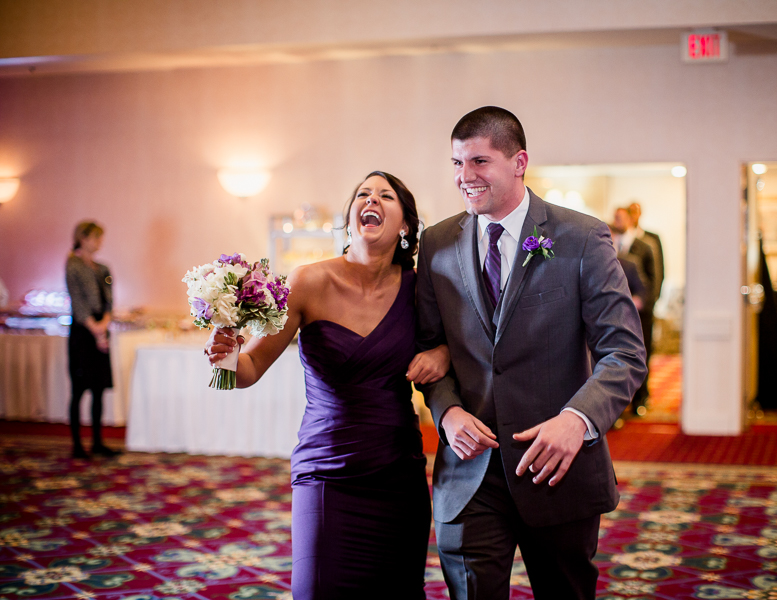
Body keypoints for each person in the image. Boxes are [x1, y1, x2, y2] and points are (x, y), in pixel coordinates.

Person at [416, 107, 646, 600]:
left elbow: (624, 352)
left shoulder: (582, 238)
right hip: (470, 470)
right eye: (456, 163)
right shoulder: (436, 244)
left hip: (556, 465)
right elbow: (430, 353)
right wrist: (447, 410)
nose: (464, 176)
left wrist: (577, 420)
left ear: (519, 162)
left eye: (479, 161)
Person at [205, 171, 449, 600]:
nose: (371, 199)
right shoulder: (307, 282)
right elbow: (246, 371)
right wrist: (222, 354)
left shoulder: (418, 291)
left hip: (397, 471)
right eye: (363, 193)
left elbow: (464, 346)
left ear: (406, 225)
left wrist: (442, 353)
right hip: (328, 470)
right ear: (351, 216)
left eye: (385, 195)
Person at [65, 221, 119, 459]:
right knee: (79, 389)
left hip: (100, 325)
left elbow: (109, 300)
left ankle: (97, 441)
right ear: (83, 238)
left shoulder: (103, 267)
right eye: (96, 238)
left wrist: (104, 323)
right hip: (83, 330)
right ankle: (77, 444)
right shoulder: (73, 265)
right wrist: (95, 329)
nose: (99, 243)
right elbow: (77, 301)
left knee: (98, 388)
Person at [610, 206, 656, 415]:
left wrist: (645, 303)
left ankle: (639, 398)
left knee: (639, 354)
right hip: (611, 317)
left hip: (638, 313)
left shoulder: (645, 246)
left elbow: (652, 280)